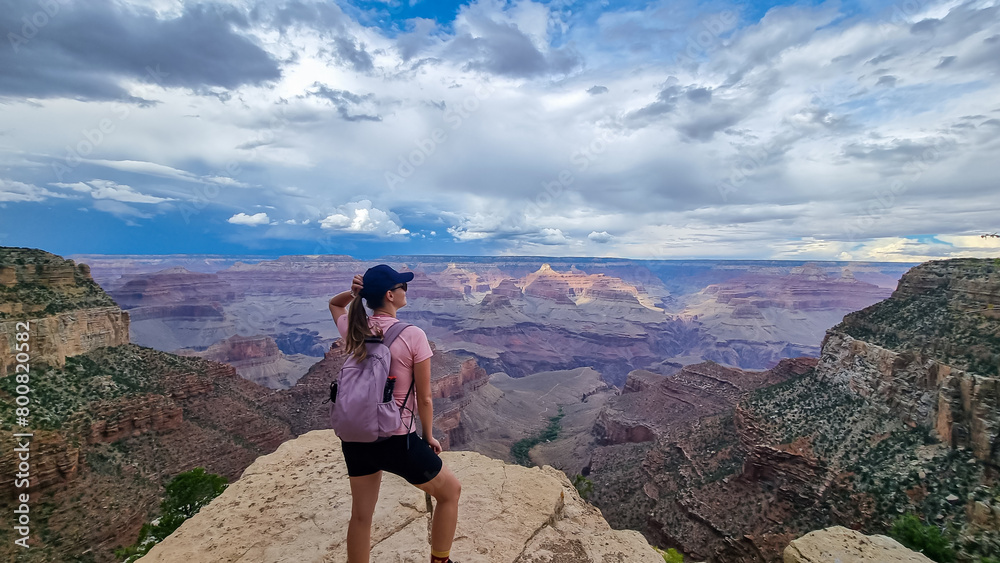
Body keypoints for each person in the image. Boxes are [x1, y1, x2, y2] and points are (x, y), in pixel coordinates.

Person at [328, 264, 462, 563]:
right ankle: (440, 560)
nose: (406, 291)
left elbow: (335, 305)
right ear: (390, 295)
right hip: (395, 438)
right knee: (450, 491)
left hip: (356, 438)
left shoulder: (355, 328)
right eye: (403, 287)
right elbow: (424, 398)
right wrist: (428, 436)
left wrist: (354, 294)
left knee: (361, 516)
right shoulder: (413, 335)